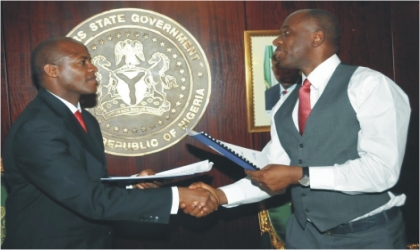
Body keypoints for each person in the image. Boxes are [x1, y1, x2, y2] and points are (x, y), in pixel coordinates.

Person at [187, 9, 411, 249]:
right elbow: (272, 170)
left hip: (368, 237)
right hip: (303, 238)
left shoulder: (370, 85)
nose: (276, 40)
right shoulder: (286, 103)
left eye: (286, 32)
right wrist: (220, 196)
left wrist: (300, 174)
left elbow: (382, 171)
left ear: (316, 37)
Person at [2, 37, 218, 249]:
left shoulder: (85, 119)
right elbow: (89, 199)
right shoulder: (37, 127)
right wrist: (177, 195)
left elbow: (84, 181)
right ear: (52, 70)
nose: (94, 68)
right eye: (82, 62)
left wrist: (132, 184)